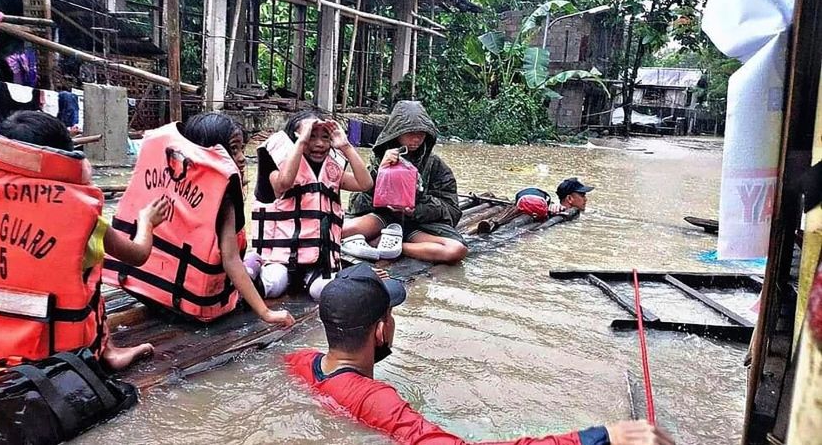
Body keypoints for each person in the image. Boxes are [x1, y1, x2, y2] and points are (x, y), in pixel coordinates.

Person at [286, 263, 675, 445]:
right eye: (392, 316)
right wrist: (600, 436)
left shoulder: (300, 362)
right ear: (380, 329)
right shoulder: (378, 398)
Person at [0, 111, 162, 371]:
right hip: (50, 347)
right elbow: (137, 254)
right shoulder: (80, 213)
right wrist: (147, 220)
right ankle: (108, 353)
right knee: (90, 269)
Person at [103, 112, 295, 327]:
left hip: (146, 289)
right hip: (196, 305)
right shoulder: (223, 196)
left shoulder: (165, 172)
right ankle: (256, 262)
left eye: (242, 149)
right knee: (263, 270)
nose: (242, 157)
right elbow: (230, 260)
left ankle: (255, 261)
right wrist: (267, 313)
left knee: (250, 260)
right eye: (233, 149)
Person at [251, 111, 373, 300]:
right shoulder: (276, 167)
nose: (319, 144)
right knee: (274, 284)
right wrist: (300, 143)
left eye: (325, 137)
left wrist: (346, 146)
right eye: (311, 136)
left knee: (325, 292)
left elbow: (365, 184)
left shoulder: (332, 171)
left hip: (319, 263)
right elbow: (283, 185)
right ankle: (249, 271)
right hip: (281, 260)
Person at [343, 101, 467, 264]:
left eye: (421, 134)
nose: (416, 139)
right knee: (337, 232)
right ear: (396, 133)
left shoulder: (436, 165)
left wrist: (415, 208)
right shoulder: (381, 159)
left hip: (416, 227)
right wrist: (380, 172)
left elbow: (451, 210)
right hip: (381, 219)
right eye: (410, 133)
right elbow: (357, 203)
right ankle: (381, 240)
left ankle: (391, 246)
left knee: (456, 250)